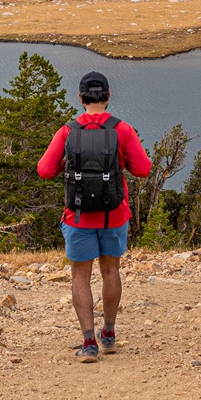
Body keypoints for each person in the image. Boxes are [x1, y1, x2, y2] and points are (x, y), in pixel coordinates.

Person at [37, 70, 152, 362]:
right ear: (108, 96)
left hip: (78, 217)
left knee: (80, 275)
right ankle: (109, 335)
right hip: (114, 215)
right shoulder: (121, 130)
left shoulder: (68, 131)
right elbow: (143, 169)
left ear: (80, 98)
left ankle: (88, 344)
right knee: (111, 270)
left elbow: (44, 170)